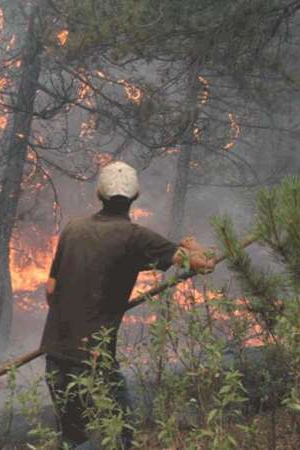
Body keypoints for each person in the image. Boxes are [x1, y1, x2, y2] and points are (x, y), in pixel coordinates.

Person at [42, 161, 216, 449]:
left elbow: (50, 290)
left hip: (54, 354)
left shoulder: (72, 229)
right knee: (121, 434)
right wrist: (192, 245)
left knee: (73, 438)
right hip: (95, 360)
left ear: (99, 194)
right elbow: (205, 263)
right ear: (135, 196)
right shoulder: (135, 237)